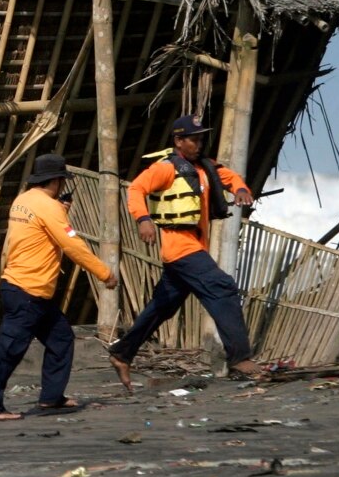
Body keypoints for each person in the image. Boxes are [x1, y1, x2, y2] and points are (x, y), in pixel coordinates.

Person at [108, 115, 263, 392]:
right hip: (180, 247)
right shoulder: (166, 168)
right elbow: (136, 189)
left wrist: (240, 189)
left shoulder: (205, 166)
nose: (199, 144)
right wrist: (143, 219)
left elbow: (230, 177)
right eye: (194, 139)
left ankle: (122, 353)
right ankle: (240, 358)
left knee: (162, 308)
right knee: (223, 287)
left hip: (191, 247)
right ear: (178, 141)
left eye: (202, 138)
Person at [0, 154, 118, 421]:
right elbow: (72, 245)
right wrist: (104, 273)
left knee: (61, 338)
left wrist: (59, 210)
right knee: (8, 352)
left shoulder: (22, 201)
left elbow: (39, 229)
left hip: (27, 291)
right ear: (56, 181)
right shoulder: (49, 207)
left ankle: (52, 397)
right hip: (28, 292)